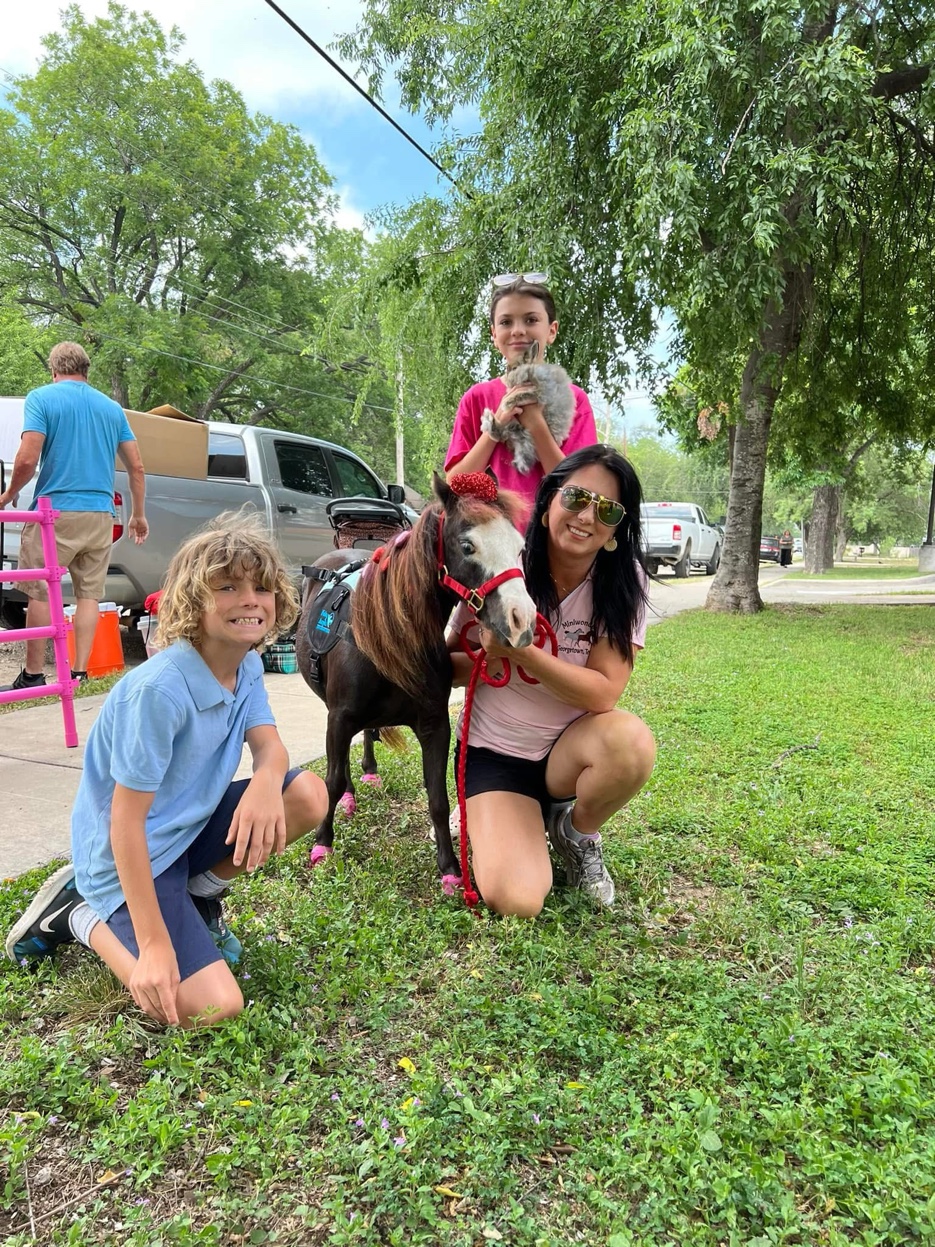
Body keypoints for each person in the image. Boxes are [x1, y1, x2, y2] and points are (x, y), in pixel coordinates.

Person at [5, 515, 327, 1029]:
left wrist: (267, 781)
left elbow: (270, 748)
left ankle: (197, 900)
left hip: (187, 832)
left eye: (261, 587)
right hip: (131, 855)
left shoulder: (245, 664)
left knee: (307, 795)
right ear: (194, 602)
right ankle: (81, 914)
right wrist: (153, 946)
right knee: (211, 1007)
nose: (250, 599)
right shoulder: (160, 692)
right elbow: (126, 824)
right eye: (227, 587)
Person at [447, 444, 655, 917]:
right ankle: (497, 814)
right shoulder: (502, 560)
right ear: (546, 506)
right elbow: (448, 662)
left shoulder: (624, 585)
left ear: (615, 532)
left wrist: (522, 653)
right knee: (519, 900)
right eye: (577, 497)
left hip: (565, 755)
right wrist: (484, 657)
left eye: (608, 510)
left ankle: (574, 831)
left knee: (632, 742)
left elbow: (605, 691)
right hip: (494, 753)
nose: (587, 516)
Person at [0, 342, 148, 691]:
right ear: (87, 370)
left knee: (39, 591)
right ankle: (79, 673)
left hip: (55, 512)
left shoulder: (42, 398)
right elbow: (137, 467)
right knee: (88, 596)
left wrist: (8, 495)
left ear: (53, 371)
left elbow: (25, 460)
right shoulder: (112, 408)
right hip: (100, 513)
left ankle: (33, 674)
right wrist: (138, 514)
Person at [445, 275, 598, 525]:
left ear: (551, 330)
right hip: (491, 547)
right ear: (494, 335)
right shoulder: (477, 398)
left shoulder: (574, 399)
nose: (518, 330)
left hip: (551, 543)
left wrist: (536, 424)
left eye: (531, 320)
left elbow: (579, 491)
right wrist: (496, 427)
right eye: (506, 322)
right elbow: (455, 485)